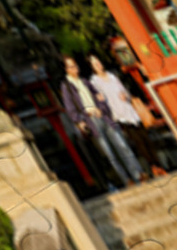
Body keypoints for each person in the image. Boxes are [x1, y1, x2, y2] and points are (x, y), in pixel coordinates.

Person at [59, 55, 144, 190]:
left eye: (75, 65)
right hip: (90, 120)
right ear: (66, 69)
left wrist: (101, 108)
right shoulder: (67, 87)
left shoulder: (85, 81)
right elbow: (70, 108)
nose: (75, 69)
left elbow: (100, 98)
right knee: (109, 153)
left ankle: (138, 174)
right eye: (71, 67)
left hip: (103, 116)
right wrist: (80, 120)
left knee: (122, 145)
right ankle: (126, 179)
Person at [88, 55, 165, 181]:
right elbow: (98, 100)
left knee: (146, 138)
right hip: (118, 114)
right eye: (95, 64)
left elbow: (125, 91)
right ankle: (152, 167)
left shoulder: (112, 76)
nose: (98, 65)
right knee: (138, 142)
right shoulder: (94, 82)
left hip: (130, 111)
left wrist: (126, 96)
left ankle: (159, 166)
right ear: (92, 67)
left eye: (98, 62)